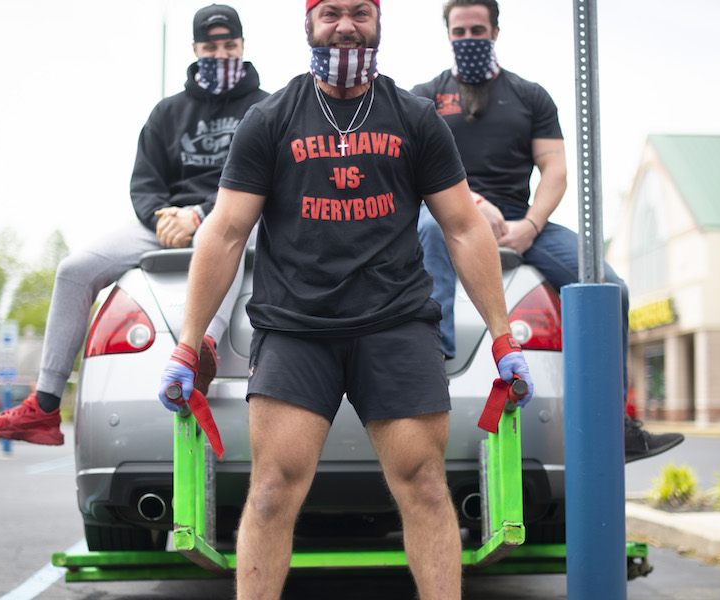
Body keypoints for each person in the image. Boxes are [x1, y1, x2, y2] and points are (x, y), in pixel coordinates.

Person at [157, 1, 533, 597]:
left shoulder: (415, 118)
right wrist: (185, 344)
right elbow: (225, 232)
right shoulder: (271, 118)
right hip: (296, 326)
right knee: (274, 488)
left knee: (425, 484)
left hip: (396, 323)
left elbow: (463, 227)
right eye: (330, 11)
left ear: (378, 21)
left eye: (360, 11)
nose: (345, 24)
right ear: (308, 22)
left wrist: (504, 335)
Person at [0, 4, 269, 446]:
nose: (220, 54)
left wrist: (202, 215)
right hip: (167, 220)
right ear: (195, 49)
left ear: (243, 46)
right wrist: (163, 216)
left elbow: (266, 178)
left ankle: (201, 350)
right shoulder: (167, 113)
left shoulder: (266, 108)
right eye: (210, 47)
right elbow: (144, 183)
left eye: (229, 46)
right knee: (74, 269)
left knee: (220, 238)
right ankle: (45, 406)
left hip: (235, 218)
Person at [412, 0, 683, 463]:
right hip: (446, 213)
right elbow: (415, 167)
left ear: (495, 31)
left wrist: (529, 225)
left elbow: (554, 168)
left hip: (520, 220)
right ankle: (434, 374)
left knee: (609, 287)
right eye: (459, 32)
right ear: (447, 35)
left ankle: (615, 424)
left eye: (477, 29)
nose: (468, 39)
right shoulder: (426, 96)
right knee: (432, 229)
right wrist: (472, 204)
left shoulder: (529, 96)